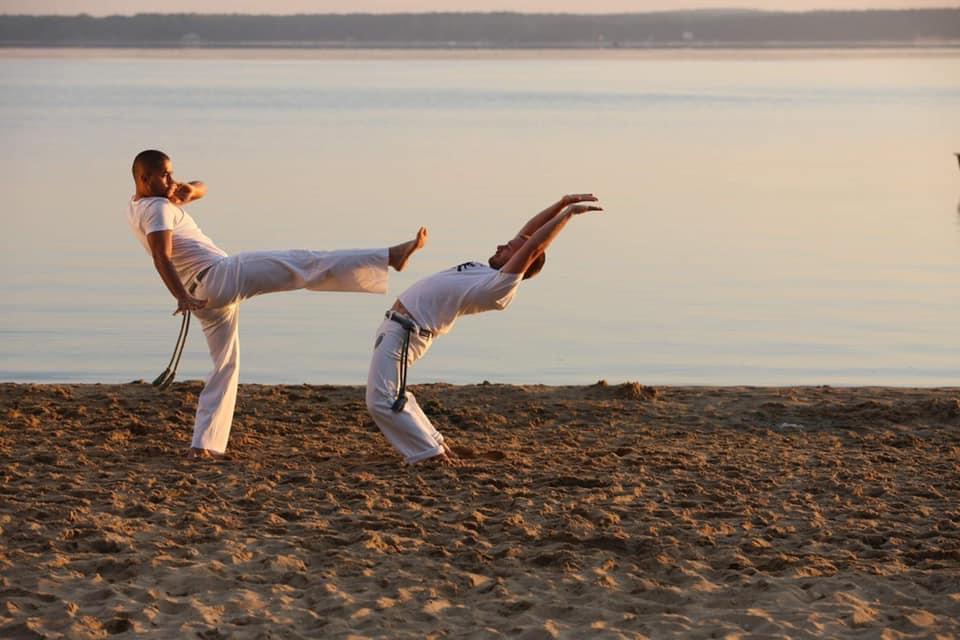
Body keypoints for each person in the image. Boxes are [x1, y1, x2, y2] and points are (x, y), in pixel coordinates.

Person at [127, 149, 427, 458]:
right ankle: (389, 256)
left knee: (225, 365)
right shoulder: (159, 209)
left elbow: (200, 187)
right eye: (165, 175)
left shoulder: (139, 205)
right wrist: (180, 295)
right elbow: (161, 256)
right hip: (220, 276)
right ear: (144, 178)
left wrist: (189, 188)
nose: (172, 179)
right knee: (304, 263)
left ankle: (205, 444)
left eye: (172, 173)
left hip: (205, 294)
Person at [365, 194, 602, 465]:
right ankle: (434, 446)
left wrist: (568, 215)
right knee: (395, 395)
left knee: (381, 400)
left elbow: (534, 247)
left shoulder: (500, 285)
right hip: (400, 329)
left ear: (521, 263)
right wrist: (561, 204)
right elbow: (529, 235)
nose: (502, 245)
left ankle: (431, 455)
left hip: (405, 333)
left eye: (509, 249)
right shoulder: (488, 274)